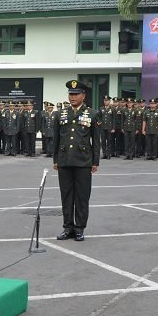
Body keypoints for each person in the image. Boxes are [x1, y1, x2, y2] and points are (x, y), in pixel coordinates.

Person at [54, 80, 99, 241]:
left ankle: (79, 228)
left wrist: (95, 162)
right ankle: (68, 227)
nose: (72, 97)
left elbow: (96, 140)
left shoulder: (92, 114)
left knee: (82, 196)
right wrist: (55, 159)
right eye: (70, 94)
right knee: (66, 196)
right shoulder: (60, 114)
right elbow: (57, 139)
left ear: (83, 95)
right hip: (65, 161)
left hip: (83, 161)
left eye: (76, 94)